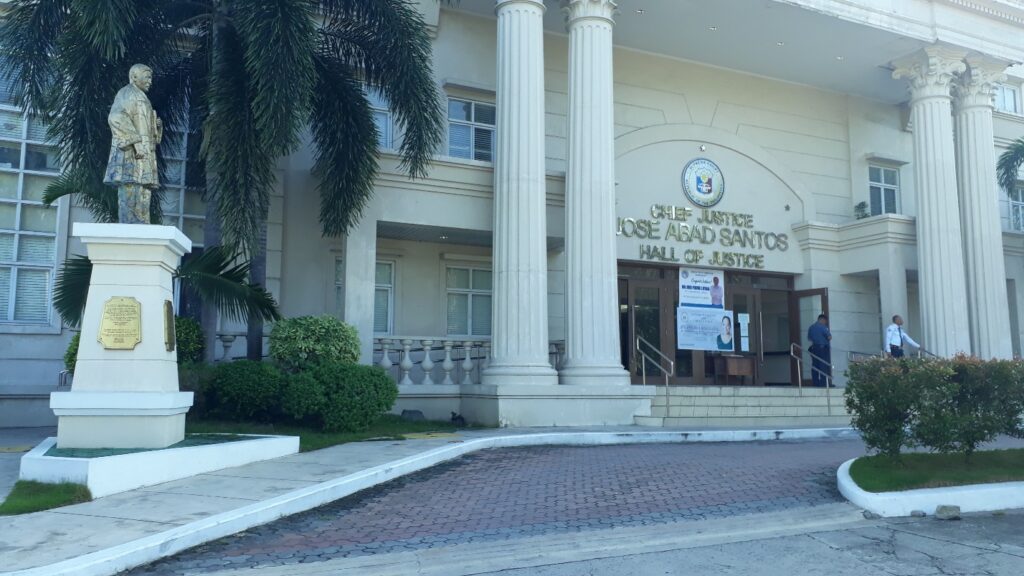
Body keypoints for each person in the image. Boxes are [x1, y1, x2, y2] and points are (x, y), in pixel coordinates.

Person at [104, 63, 163, 224]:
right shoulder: (127, 93)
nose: (150, 81)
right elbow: (116, 117)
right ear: (134, 77)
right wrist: (135, 142)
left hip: (144, 153)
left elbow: (145, 127)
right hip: (131, 153)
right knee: (130, 186)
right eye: (147, 77)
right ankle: (130, 223)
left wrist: (156, 127)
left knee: (143, 188)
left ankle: (141, 223)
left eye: (151, 77)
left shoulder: (142, 96)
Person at [807, 314, 831, 387]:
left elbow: (809, 338)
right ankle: (824, 384)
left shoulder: (811, 327)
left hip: (814, 348)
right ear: (822, 320)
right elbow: (829, 337)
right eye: (825, 321)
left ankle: (816, 383)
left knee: (815, 366)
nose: (825, 323)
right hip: (823, 348)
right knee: (823, 365)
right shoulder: (823, 327)